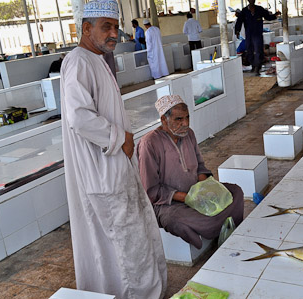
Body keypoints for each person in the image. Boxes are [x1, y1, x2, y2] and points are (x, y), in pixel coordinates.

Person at [60, 1, 167, 298]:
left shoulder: (97, 59)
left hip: (113, 166)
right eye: (106, 26)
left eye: (115, 27)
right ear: (86, 28)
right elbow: (79, 117)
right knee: (126, 244)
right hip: (102, 171)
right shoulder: (79, 61)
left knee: (127, 241)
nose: (114, 34)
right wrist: (121, 137)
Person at [137, 95, 244, 250]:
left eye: (187, 117)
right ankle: (216, 229)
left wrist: (205, 189)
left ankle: (223, 227)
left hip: (195, 193)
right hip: (168, 204)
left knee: (236, 192)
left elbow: (200, 167)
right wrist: (189, 198)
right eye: (179, 119)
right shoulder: (149, 144)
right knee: (181, 220)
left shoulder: (189, 134)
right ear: (163, 120)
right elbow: (152, 190)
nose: (185, 123)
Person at [235, 0, 280, 75]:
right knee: (249, 50)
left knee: (258, 50)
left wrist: (275, 15)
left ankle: (257, 67)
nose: (252, 1)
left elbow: (268, 17)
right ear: (248, 0)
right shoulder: (244, 11)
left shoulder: (260, 9)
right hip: (249, 35)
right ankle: (253, 65)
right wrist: (237, 31)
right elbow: (239, 21)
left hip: (258, 34)